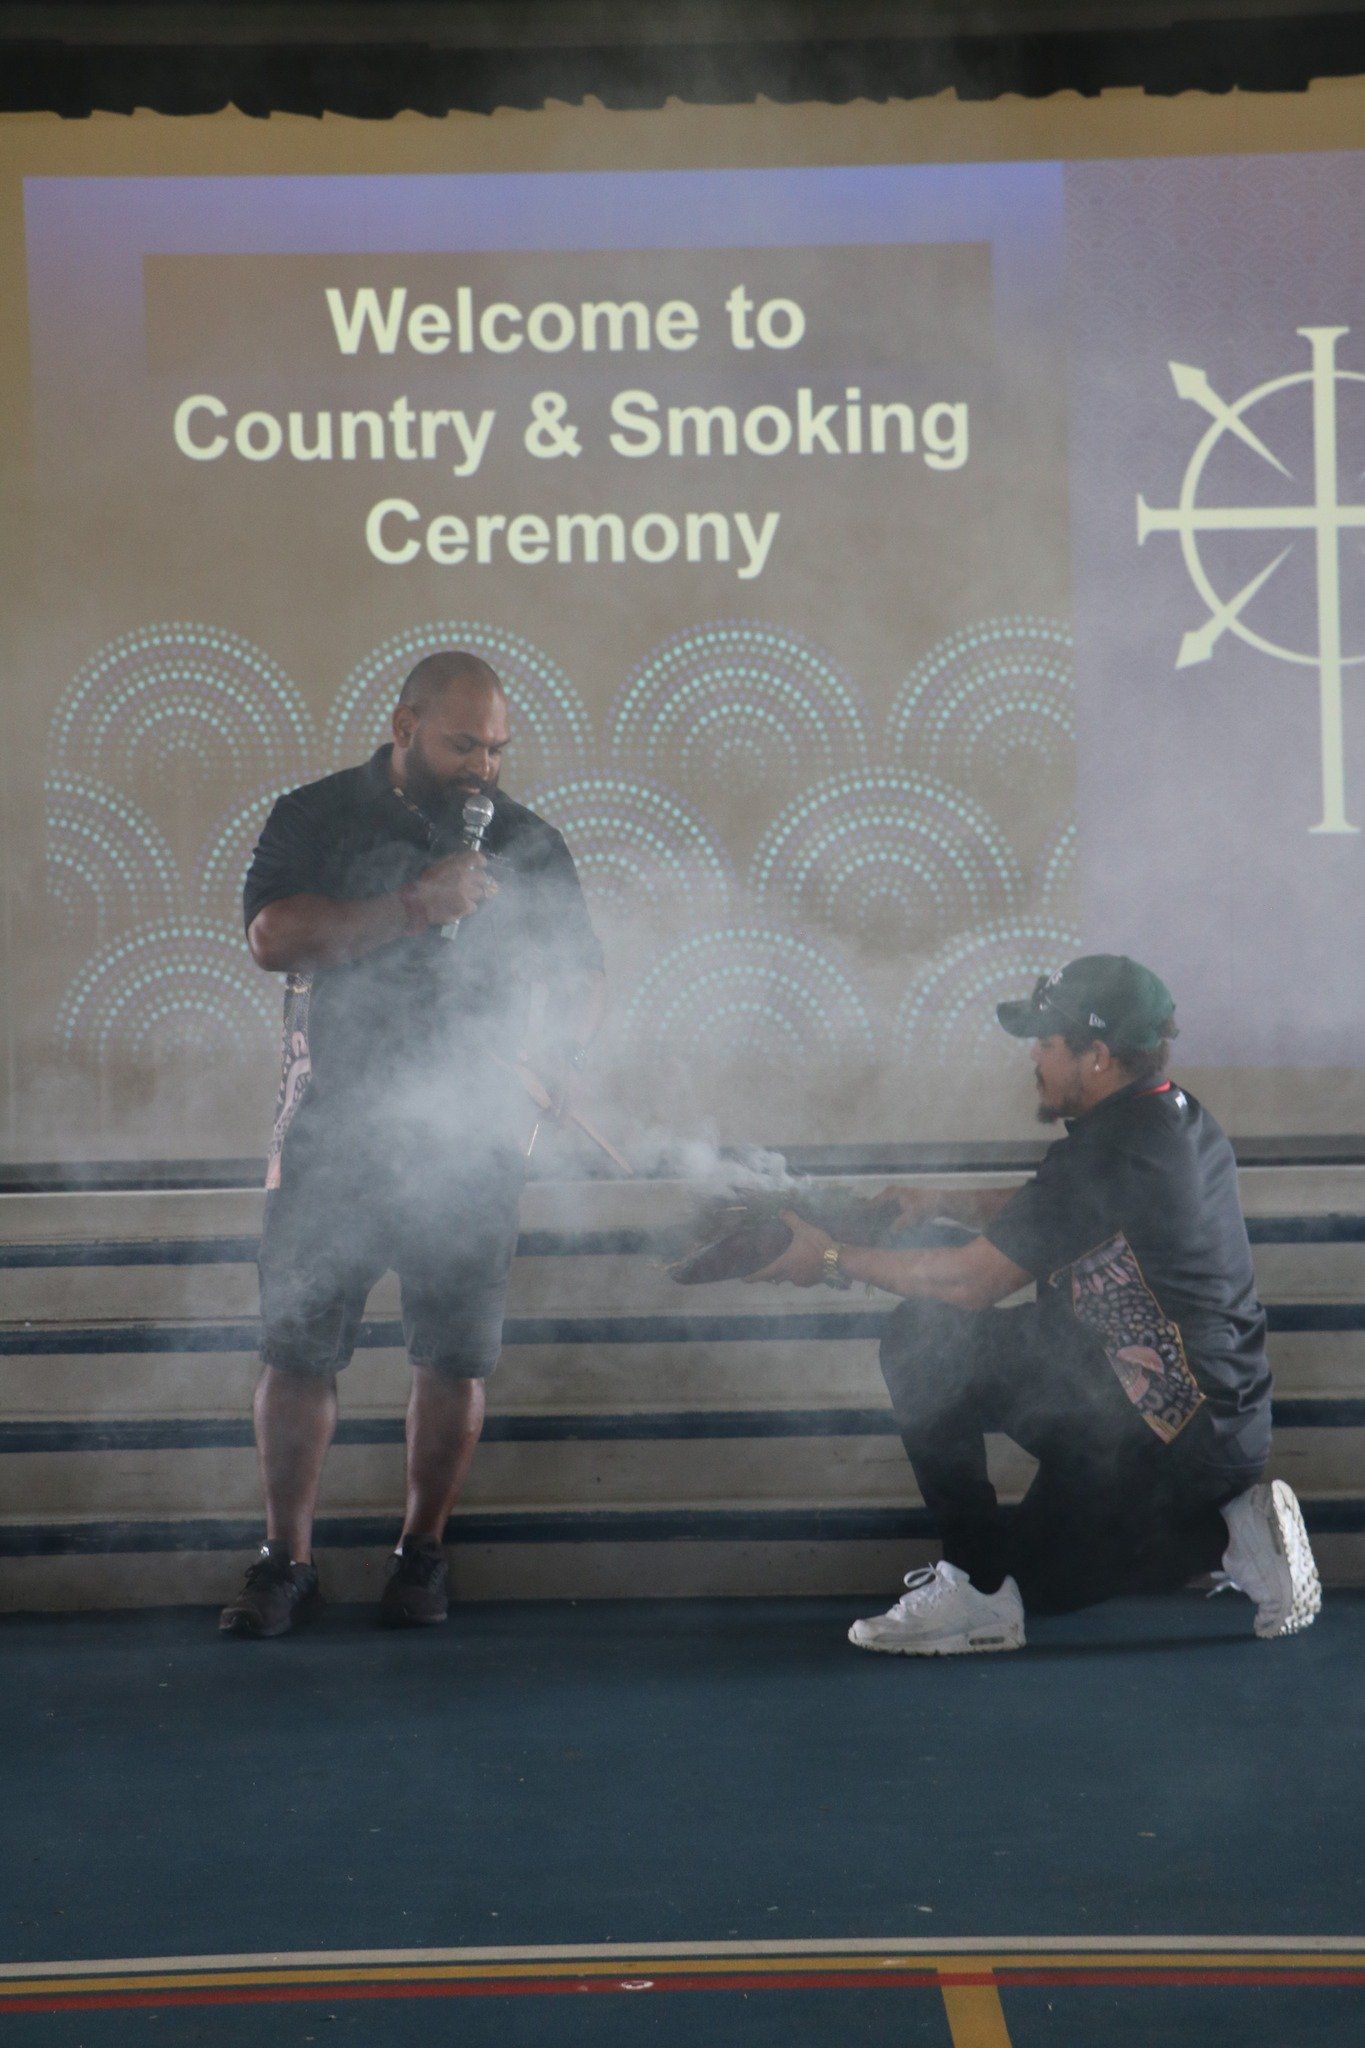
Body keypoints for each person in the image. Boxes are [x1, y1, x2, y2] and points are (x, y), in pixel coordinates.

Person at [748, 955, 1320, 1654]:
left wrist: (831, 1261)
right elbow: (1059, 1210)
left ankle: (981, 1591)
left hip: (1159, 1438)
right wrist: (938, 1202)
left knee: (922, 1342)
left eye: (1047, 1044)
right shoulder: (1170, 1118)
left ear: (1098, 1057)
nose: (1035, 1058)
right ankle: (1231, 1530)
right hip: (1199, 1421)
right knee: (1033, 1565)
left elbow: (972, 1283)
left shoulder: (1111, 1152)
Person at [220, 650, 605, 1637]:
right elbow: (271, 935)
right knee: (298, 1351)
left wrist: (552, 1061)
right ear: (404, 725)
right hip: (333, 1127)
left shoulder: (526, 841)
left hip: (471, 1141)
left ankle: (421, 1551)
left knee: (453, 1358)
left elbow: (581, 982)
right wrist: (413, 907)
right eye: (462, 742)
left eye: (497, 747)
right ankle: (285, 1560)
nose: (484, 765)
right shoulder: (318, 814)